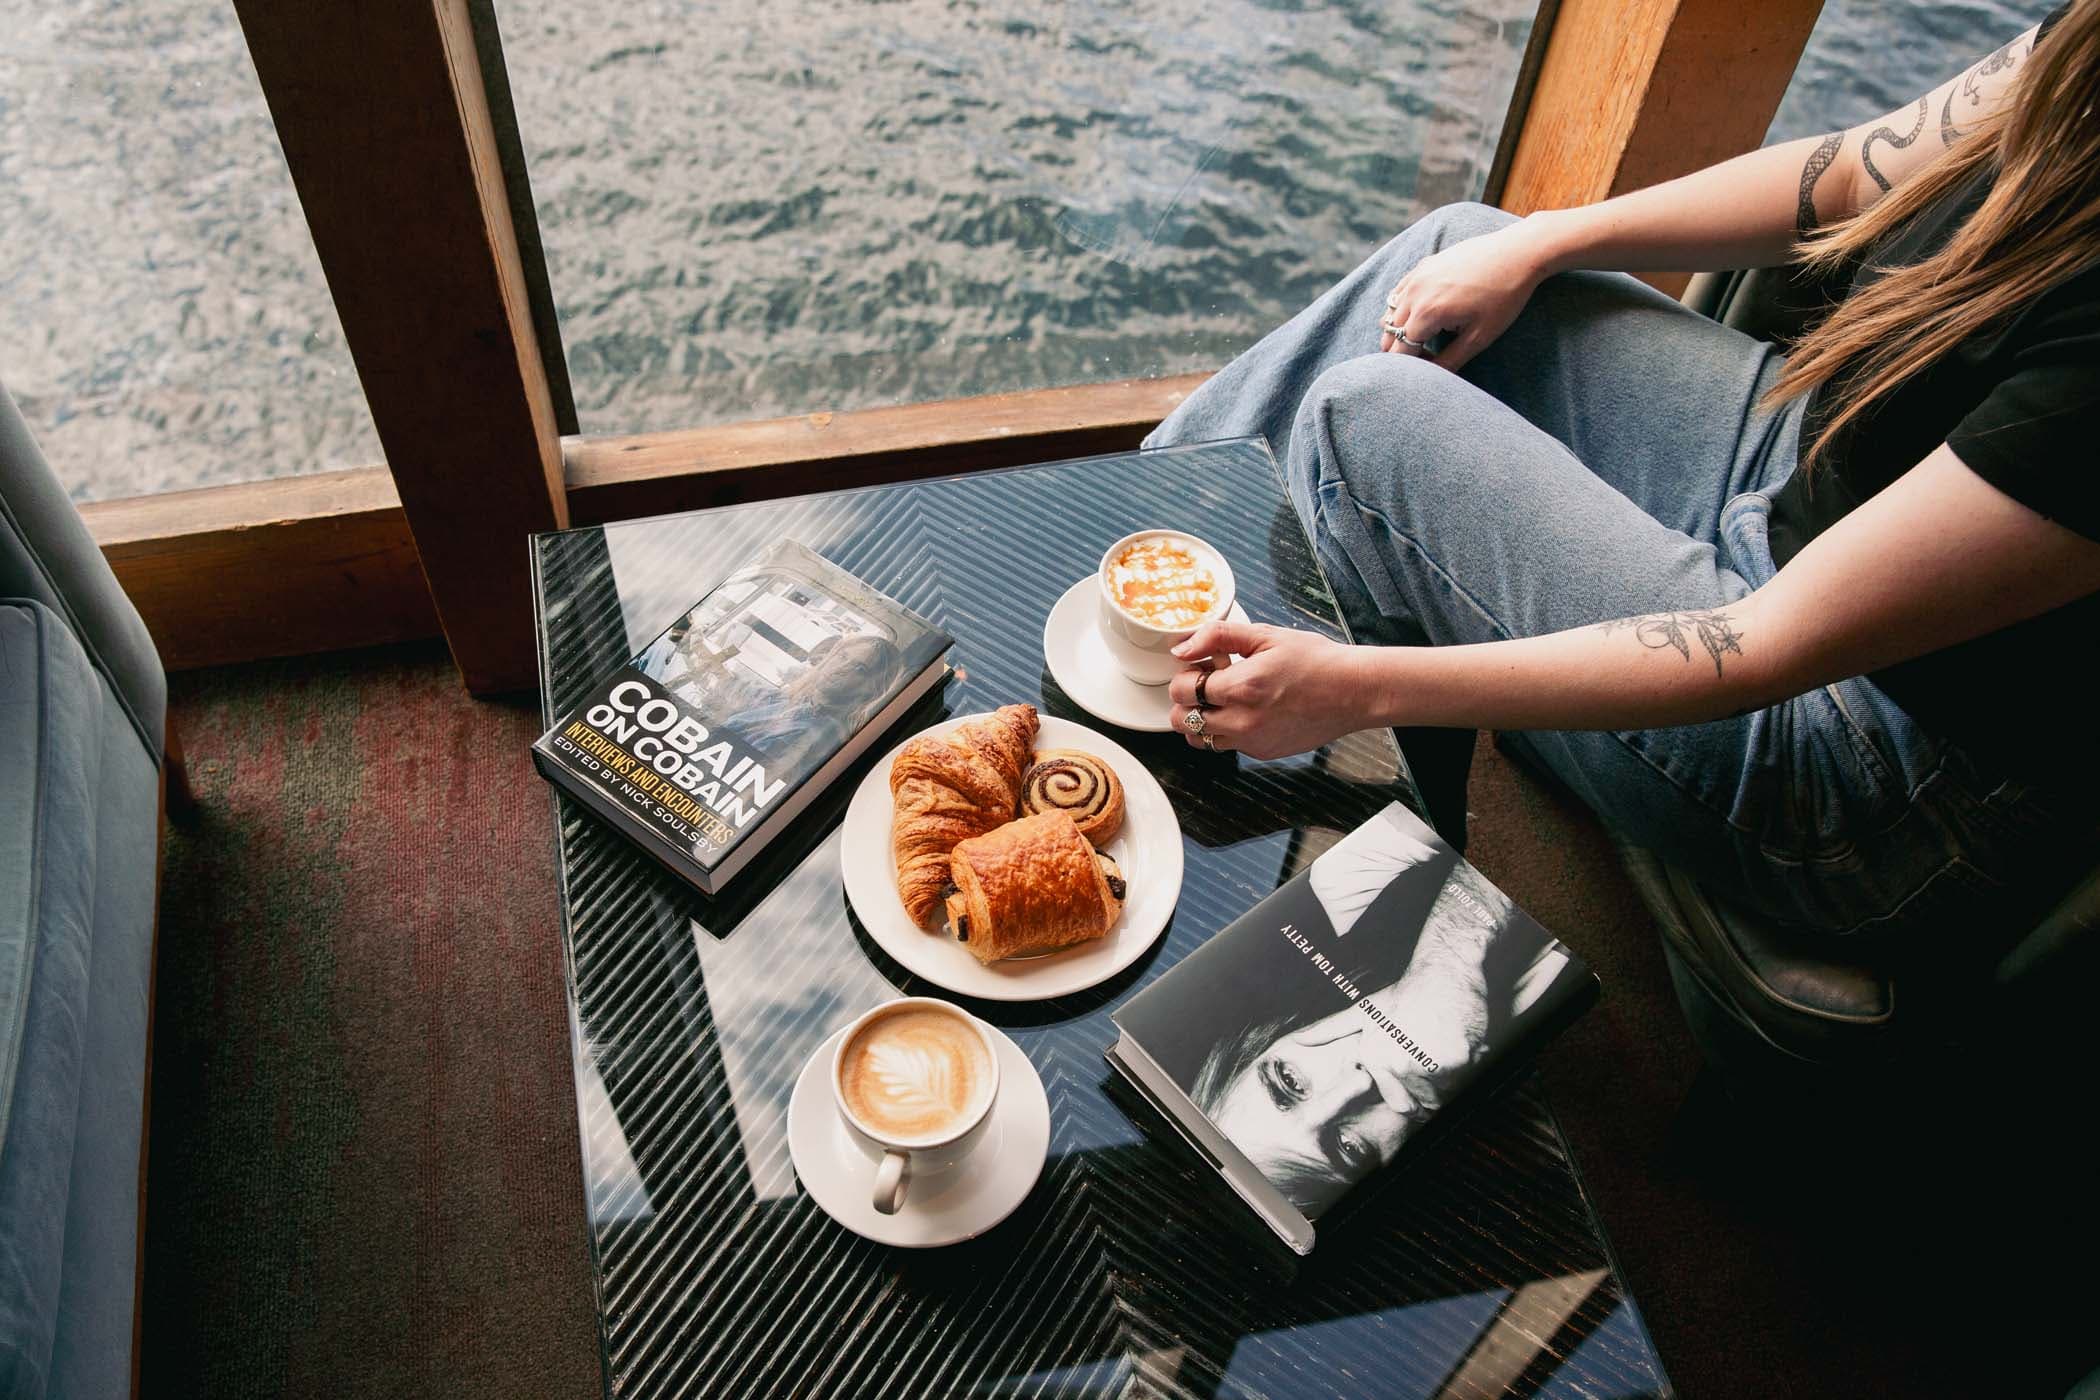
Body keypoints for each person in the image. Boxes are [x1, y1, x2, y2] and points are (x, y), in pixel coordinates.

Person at [1150, 3, 2100, 938]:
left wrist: (1356, 689)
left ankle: (1321, 879)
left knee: (1371, 427)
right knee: (1464, 246)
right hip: (1820, 460)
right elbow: (1852, 172)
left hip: (1864, 745)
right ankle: (1129, 573)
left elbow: (1765, 643)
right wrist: (1539, 241)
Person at [1192, 834, 1569, 1218]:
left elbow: (1502, 829)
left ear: (1267, 1041)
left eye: (1290, 1080)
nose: (1357, 1085)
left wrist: (1449, 962)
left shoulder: (1342, 891)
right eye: (1350, 1148)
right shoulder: (1515, 1102)